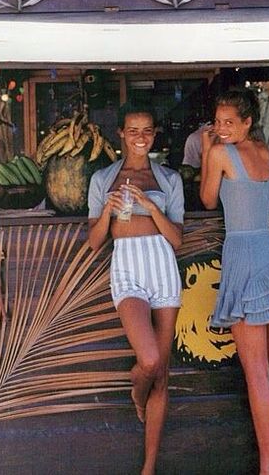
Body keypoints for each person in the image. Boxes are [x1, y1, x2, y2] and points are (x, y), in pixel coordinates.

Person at [200, 89, 269, 475]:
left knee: (257, 371)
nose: (221, 128)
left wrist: (205, 148)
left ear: (248, 122)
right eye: (217, 122)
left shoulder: (218, 153)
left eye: (230, 122)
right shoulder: (264, 152)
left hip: (243, 257)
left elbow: (208, 200)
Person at [87, 103, 184, 475]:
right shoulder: (103, 179)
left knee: (162, 373)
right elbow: (94, 242)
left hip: (163, 266)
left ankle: (148, 466)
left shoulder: (169, 179)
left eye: (146, 130)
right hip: (127, 266)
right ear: (122, 135)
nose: (140, 137)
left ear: (154, 134)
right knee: (148, 360)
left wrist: (150, 207)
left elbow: (176, 239)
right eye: (133, 130)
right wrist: (110, 213)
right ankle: (135, 384)